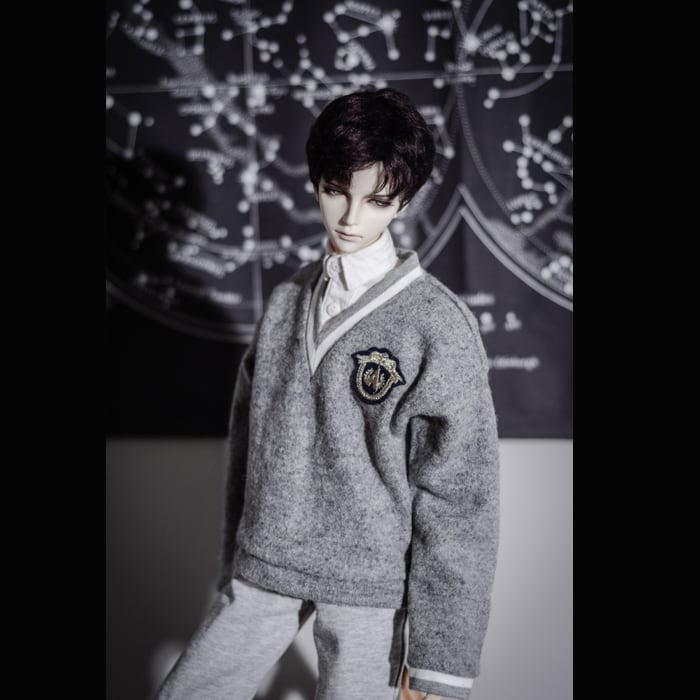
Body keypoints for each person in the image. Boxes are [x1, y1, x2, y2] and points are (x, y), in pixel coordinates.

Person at [154, 87, 499, 700]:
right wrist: (234, 558)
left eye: (377, 199)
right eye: (337, 190)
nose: (350, 216)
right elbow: (247, 443)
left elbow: (459, 500)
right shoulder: (287, 301)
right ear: (316, 181)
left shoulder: (436, 325)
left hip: (369, 587)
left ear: (405, 200)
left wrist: (440, 663)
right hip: (265, 563)